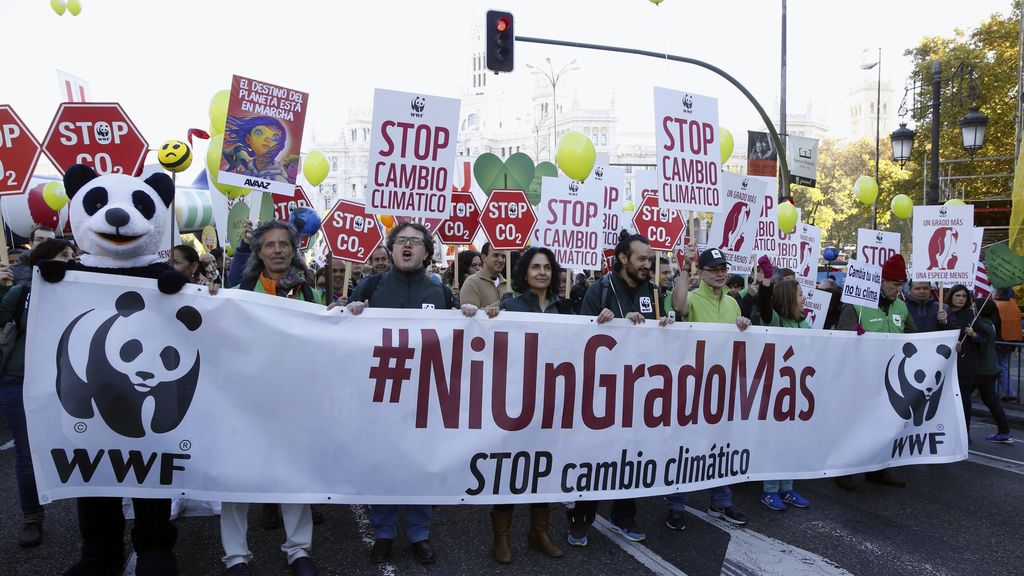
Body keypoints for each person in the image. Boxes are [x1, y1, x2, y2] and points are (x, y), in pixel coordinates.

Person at [345, 221, 474, 565]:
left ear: (427, 252)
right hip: (381, 393)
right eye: (400, 241)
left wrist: (469, 318)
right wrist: (352, 311)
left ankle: (419, 533)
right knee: (383, 463)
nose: (406, 246)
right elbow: (344, 335)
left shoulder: (440, 293)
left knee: (420, 463)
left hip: (424, 395)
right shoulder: (371, 286)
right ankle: (384, 532)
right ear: (391, 248)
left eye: (414, 242)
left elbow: (453, 340)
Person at [222, 221, 320, 576]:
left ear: (294, 251)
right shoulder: (237, 293)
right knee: (235, 479)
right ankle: (235, 557)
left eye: (284, 244)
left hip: (294, 402)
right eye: (269, 245)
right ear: (259, 252)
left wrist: (348, 313)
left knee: (294, 476)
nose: (277, 250)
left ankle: (299, 551)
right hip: (245, 404)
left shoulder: (313, 294)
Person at [571, 231, 674, 546]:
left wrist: (665, 324)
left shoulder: (652, 291)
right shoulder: (600, 289)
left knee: (632, 454)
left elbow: (660, 333)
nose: (647, 265)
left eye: (649, 259)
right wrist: (607, 322)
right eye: (641, 258)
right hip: (603, 388)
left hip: (639, 388)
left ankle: (624, 515)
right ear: (622, 259)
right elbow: (579, 337)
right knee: (596, 455)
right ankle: (581, 517)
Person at [484, 247, 568, 564]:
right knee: (510, 468)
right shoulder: (510, 304)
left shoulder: (564, 308)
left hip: (550, 402)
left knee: (543, 468)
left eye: (547, 267)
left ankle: (539, 531)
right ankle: (501, 538)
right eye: (535, 267)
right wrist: (485, 316)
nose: (542, 272)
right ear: (525, 272)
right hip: (515, 401)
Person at [666, 246, 751, 529]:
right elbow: (678, 306)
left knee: (722, 446)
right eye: (713, 269)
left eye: (723, 269)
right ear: (701, 272)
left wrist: (743, 323)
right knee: (687, 446)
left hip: (723, 387)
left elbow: (740, 340)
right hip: (693, 387)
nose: (720, 274)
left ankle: (721, 502)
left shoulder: (733, 303)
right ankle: (676, 505)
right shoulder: (691, 297)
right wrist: (685, 268)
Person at [0, 239, 74, 548]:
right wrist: (3, 287)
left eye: (73, 255)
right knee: (28, 454)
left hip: (69, 383)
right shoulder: (23, 294)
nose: (70, 260)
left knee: (84, 446)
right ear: (43, 262)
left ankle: (93, 519)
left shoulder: (82, 292)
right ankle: (32, 517)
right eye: (63, 255)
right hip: (20, 381)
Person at [835, 254, 914, 490]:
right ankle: (844, 470)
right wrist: (853, 335)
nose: (898, 290)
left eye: (901, 285)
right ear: (881, 281)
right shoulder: (857, 305)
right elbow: (840, 339)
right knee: (855, 424)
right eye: (894, 285)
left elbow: (916, 337)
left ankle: (877, 468)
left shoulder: (901, 306)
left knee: (883, 424)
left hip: (889, 379)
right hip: (860, 376)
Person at [753, 256, 812, 510]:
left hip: (798, 390)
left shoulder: (804, 322)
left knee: (792, 440)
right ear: (790, 298)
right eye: (801, 295)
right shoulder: (776, 319)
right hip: (774, 390)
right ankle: (769, 490)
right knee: (775, 441)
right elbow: (765, 308)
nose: (804, 299)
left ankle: (787, 488)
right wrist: (767, 281)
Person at [967, 298, 1013, 442]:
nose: (971, 307)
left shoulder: (981, 324)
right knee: (991, 400)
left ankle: (964, 435)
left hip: (980, 370)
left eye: (974, 306)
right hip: (991, 369)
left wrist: (975, 336)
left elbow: (983, 340)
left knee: (963, 400)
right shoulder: (990, 323)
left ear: (981, 309)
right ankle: (1004, 432)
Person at [223, 115, 291, 183]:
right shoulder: (245, 168)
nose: (268, 139)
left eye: (276, 137)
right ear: (248, 139)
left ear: (281, 146)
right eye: (259, 133)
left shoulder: (279, 180)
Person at [459, 242, 509, 308]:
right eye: (496, 255)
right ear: (483, 257)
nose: (501, 260)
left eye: (503, 256)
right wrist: (501, 304)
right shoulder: (471, 283)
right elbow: (470, 316)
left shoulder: (507, 285)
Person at [994, 287, 1022, 401]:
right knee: (1003, 368)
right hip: (1010, 342)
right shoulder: (1014, 306)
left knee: (995, 369)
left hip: (997, 342)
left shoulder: (996, 306)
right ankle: (1010, 393)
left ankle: (994, 392)